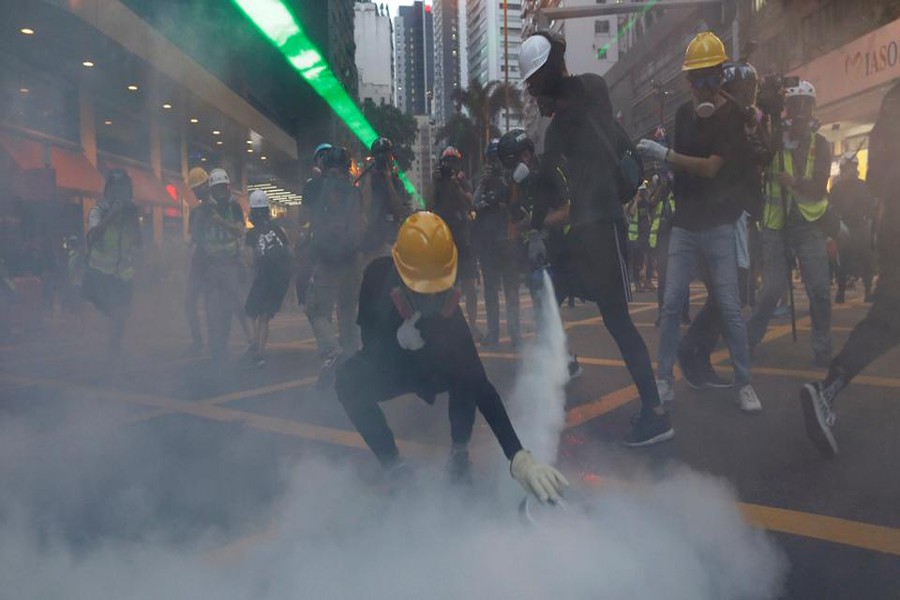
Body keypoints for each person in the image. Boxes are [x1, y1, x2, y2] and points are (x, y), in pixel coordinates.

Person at [335, 211, 569, 502]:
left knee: (464, 378)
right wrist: (396, 344)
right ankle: (394, 466)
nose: (432, 301)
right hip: (393, 367)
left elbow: (481, 385)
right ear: (400, 273)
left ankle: (459, 454)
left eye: (438, 290)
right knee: (346, 379)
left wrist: (518, 456)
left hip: (434, 369)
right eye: (423, 292)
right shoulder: (375, 280)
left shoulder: (449, 319)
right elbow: (368, 347)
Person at [519, 31, 672, 445]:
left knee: (619, 322)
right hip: (583, 238)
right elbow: (551, 188)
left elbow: (548, 187)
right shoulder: (588, 98)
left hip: (603, 231)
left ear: (549, 78)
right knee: (546, 288)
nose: (535, 97)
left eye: (536, 87)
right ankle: (561, 366)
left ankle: (655, 413)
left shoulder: (581, 104)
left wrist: (536, 225)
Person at [635, 31, 762, 412]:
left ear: (722, 77)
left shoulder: (732, 117)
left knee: (728, 303)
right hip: (687, 224)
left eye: (714, 78)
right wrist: (668, 167)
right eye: (699, 79)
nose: (707, 88)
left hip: (719, 223)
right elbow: (685, 169)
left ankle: (744, 383)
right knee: (671, 303)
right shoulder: (682, 115)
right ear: (688, 82)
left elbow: (710, 168)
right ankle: (663, 379)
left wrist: (666, 154)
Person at [800, 81, 900, 457]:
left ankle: (828, 390)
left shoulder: (892, 100)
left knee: (886, 319)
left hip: (893, 224)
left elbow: (875, 179)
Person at [671, 59, 773, 389]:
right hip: (718, 216)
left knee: (731, 293)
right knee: (733, 292)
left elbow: (764, 155)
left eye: (752, 90)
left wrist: (760, 124)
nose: (748, 96)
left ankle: (697, 356)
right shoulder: (713, 119)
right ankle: (690, 350)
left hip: (739, 213)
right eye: (743, 90)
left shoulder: (746, 119)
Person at [747, 79, 833, 367]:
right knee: (772, 289)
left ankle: (822, 348)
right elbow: (756, 155)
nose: (800, 112)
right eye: (794, 105)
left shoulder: (821, 144)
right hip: (775, 225)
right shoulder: (775, 140)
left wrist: (794, 181)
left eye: (805, 105)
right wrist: (766, 120)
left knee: (819, 288)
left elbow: (820, 185)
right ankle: (748, 340)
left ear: (813, 108)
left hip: (809, 225)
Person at [496, 128, 582, 379]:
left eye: (512, 163)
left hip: (564, 249)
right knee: (544, 310)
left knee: (546, 307)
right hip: (536, 256)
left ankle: (558, 363)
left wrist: (537, 224)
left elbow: (568, 211)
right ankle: (562, 361)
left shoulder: (550, 170)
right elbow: (514, 219)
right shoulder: (519, 182)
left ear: (526, 154)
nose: (509, 168)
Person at [304, 146, 364, 385]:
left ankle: (332, 351)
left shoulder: (313, 186)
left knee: (316, 310)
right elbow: (360, 224)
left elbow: (305, 218)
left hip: (326, 260)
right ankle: (353, 365)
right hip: (351, 260)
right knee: (349, 314)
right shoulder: (354, 192)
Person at [83, 169, 142, 367]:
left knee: (121, 318)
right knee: (113, 315)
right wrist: (112, 215)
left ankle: (113, 355)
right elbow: (92, 237)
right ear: (109, 191)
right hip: (100, 274)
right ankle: (106, 355)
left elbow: (138, 242)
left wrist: (134, 220)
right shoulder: (97, 211)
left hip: (123, 275)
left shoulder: (129, 214)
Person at [190, 168, 247, 360]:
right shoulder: (202, 210)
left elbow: (239, 231)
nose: (222, 192)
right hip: (212, 265)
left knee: (228, 307)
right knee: (212, 307)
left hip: (229, 263)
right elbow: (196, 237)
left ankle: (224, 343)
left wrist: (219, 221)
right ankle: (215, 347)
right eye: (218, 189)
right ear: (212, 190)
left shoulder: (234, 207)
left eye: (224, 188)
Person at [473, 138, 520, 347]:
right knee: (490, 290)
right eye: (491, 159)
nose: (494, 163)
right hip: (487, 242)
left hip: (506, 241)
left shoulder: (511, 178)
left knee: (511, 288)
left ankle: (515, 332)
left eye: (497, 158)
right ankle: (493, 332)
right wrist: (483, 184)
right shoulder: (483, 179)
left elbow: (516, 204)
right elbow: (474, 204)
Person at [431, 146, 481, 340]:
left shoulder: (462, 182)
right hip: (444, 241)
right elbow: (428, 204)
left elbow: (472, 202)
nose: (450, 166)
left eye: (453, 162)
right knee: (445, 287)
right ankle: (447, 328)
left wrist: (458, 185)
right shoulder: (437, 183)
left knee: (469, 285)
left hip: (463, 240)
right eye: (447, 162)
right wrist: (436, 183)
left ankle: (473, 324)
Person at [244, 190, 291, 367]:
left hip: (263, 276)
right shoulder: (279, 230)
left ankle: (253, 343)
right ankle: (260, 356)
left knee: (249, 312)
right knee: (264, 316)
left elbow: (249, 260)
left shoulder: (252, 234)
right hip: (281, 279)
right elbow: (289, 253)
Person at [831, 153, 877, 304]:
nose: (851, 171)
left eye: (853, 167)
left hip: (861, 226)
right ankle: (841, 290)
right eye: (848, 168)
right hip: (844, 228)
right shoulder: (836, 188)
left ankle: (868, 289)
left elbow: (871, 206)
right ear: (843, 169)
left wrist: (869, 221)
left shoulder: (863, 186)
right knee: (843, 261)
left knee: (867, 259)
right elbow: (832, 208)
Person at [359, 137, 410, 268]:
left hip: (392, 242)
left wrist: (388, 179)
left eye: (386, 156)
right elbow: (365, 209)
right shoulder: (367, 181)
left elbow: (399, 212)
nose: (383, 161)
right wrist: (370, 177)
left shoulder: (397, 183)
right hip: (372, 244)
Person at [296, 143, 333, 307]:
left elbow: (302, 218)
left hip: (320, 244)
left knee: (303, 279)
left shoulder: (311, 185)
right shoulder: (347, 184)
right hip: (345, 245)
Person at [184, 167, 210, 355]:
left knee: (210, 304)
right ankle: (199, 341)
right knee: (191, 303)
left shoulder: (208, 210)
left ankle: (205, 341)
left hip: (207, 261)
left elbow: (193, 238)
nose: (195, 193)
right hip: (201, 261)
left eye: (196, 188)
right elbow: (193, 238)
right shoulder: (198, 211)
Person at [626, 183, 654, 292]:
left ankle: (643, 281)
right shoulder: (634, 202)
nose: (643, 193)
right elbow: (631, 212)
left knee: (643, 259)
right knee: (635, 261)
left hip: (645, 235)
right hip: (635, 236)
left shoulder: (646, 203)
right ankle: (635, 282)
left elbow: (650, 211)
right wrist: (636, 199)